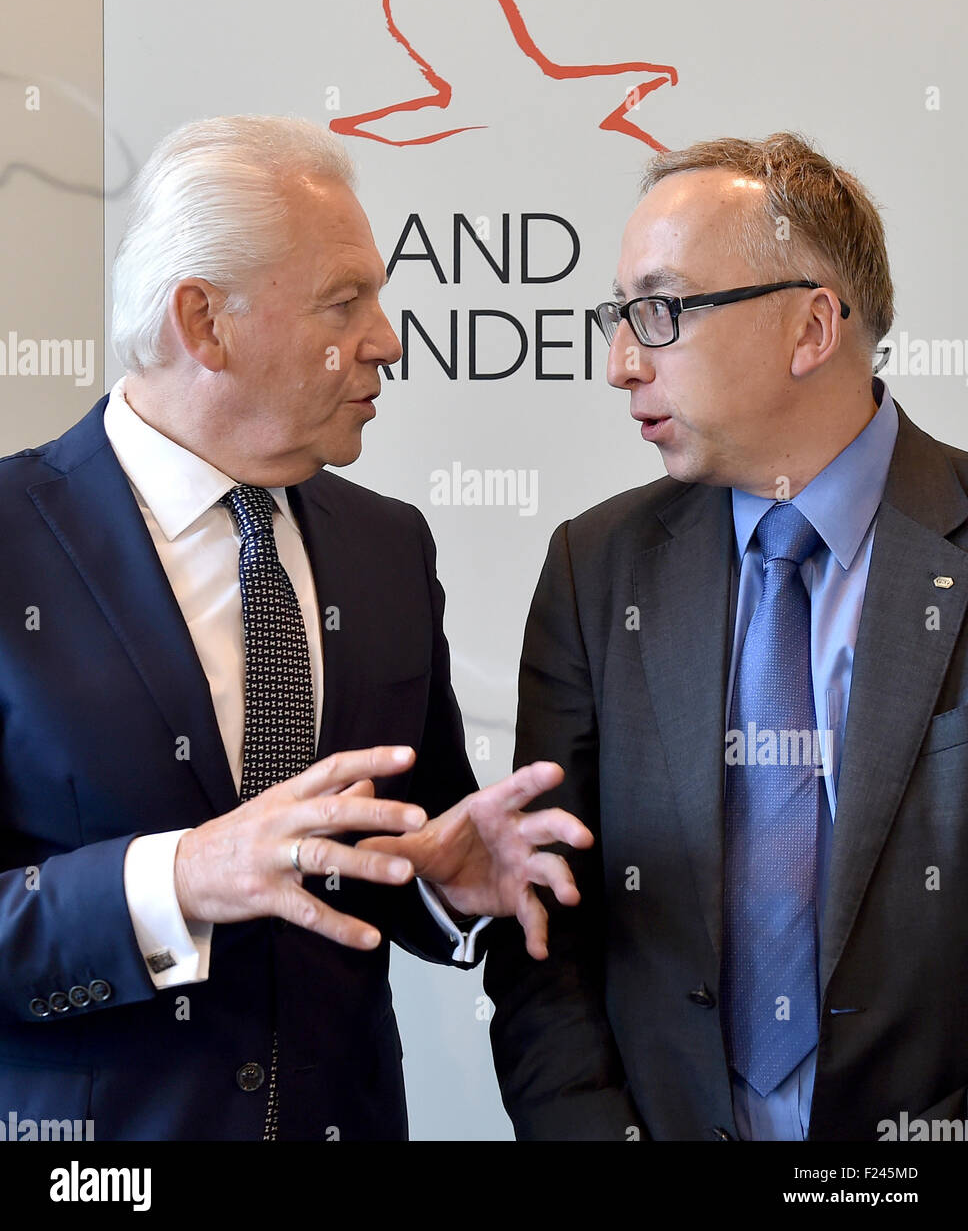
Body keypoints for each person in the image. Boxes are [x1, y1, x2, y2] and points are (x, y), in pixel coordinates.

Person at [0, 114, 590, 1142]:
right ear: (205, 322)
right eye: (344, 300)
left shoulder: (386, 548)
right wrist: (177, 878)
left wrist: (444, 881)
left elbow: (392, 847)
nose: (387, 338)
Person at [484, 131, 968, 1141]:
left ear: (807, 327)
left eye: (656, 313)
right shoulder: (595, 568)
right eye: (616, 318)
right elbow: (546, 933)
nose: (620, 363)